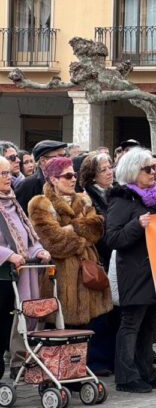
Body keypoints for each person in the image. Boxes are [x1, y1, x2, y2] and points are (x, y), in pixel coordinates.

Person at [105, 148, 156, 393]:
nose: (153, 173)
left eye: (154, 168)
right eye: (147, 169)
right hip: (134, 271)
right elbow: (112, 238)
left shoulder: (153, 196)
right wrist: (137, 225)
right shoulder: (122, 199)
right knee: (131, 323)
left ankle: (147, 372)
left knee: (149, 325)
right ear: (133, 171)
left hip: (155, 269)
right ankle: (126, 376)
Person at [27, 156, 113, 330]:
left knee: (91, 332)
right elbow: (54, 243)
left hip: (88, 271)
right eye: (67, 176)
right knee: (61, 332)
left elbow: (97, 230)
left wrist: (70, 228)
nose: (73, 178)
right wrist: (83, 233)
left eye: (74, 174)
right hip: (60, 276)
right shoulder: (40, 203)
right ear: (53, 179)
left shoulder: (83, 199)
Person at [0, 156, 50, 380]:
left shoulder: (11, 201)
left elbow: (27, 237)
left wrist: (37, 250)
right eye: (2, 174)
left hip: (18, 274)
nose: (8, 177)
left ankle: (18, 364)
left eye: (8, 173)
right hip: (3, 274)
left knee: (16, 320)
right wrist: (8, 255)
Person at [78, 152, 120, 376]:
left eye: (110, 167)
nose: (109, 172)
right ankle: (98, 361)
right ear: (92, 175)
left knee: (114, 312)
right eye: (103, 169)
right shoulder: (87, 197)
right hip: (99, 259)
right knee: (100, 315)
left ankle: (112, 358)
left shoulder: (114, 192)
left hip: (115, 256)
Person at [15, 140, 67, 214]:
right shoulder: (27, 185)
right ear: (43, 161)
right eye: (59, 157)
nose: (64, 160)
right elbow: (20, 217)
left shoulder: (68, 179)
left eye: (65, 156)